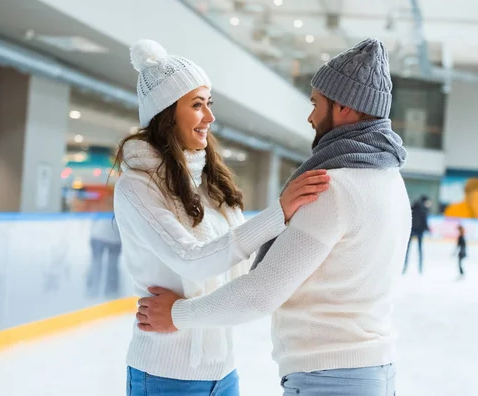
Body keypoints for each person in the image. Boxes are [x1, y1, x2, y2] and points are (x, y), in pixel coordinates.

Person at [137, 38, 411, 395]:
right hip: (372, 373)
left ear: (345, 107)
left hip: (331, 378)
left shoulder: (333, 187)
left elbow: (262, 292)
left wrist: (176, 315)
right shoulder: (390, 180)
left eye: (316, 104)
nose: (311, 116)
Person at [113, 39, 330, 396]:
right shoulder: (137, 187)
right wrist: (278, 213)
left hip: (224, 374)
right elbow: (193, 260)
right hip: (165, 376)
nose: (210, 117)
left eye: (209, 104)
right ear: (166, 113)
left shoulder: (211, 184)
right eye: (197, 105)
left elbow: (243, 265)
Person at [402, 195, 431, 275]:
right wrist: (427, 229)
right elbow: (424, 220)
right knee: (420, 250)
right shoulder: (424, 209)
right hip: (419, 231)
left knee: (407, 250)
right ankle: (420, 268)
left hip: (412, 230)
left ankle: (404, 266)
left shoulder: (413, 206)